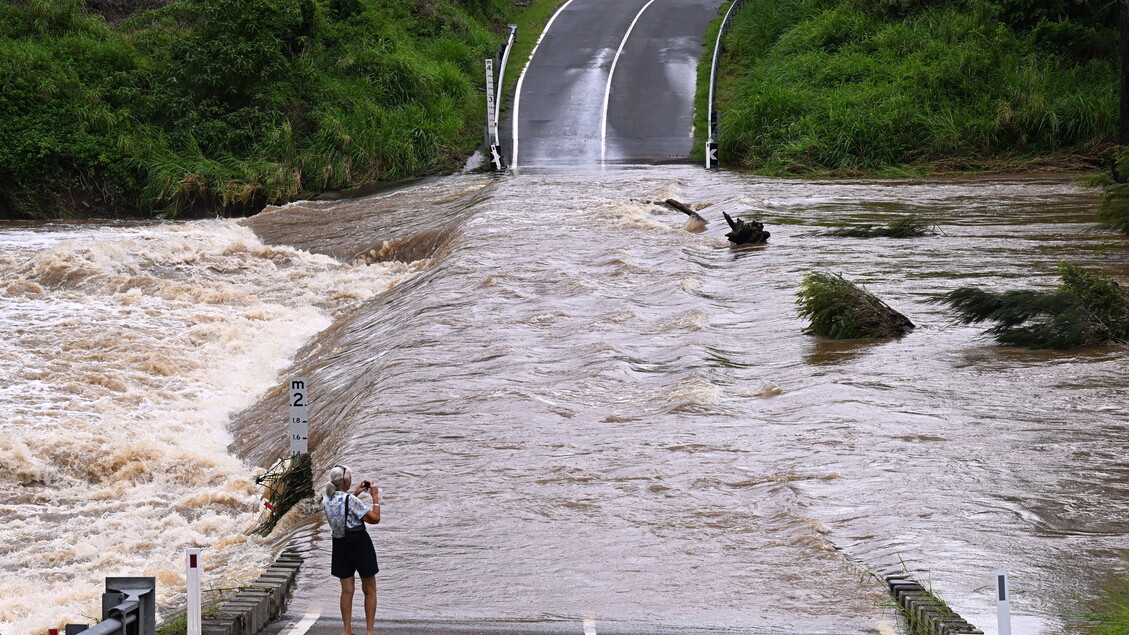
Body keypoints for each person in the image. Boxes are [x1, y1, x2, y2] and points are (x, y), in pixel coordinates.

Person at [322, 465, 381, 635]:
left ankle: (347, 631)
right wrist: (375, 497)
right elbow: (375, 519)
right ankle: (369, 631)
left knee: (347, 591)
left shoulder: (327, 499)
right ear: (346, 481)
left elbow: (343, 508)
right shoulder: (351, 501)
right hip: (360, 545)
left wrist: (354, 493)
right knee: (369, 589)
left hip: (340, 546)